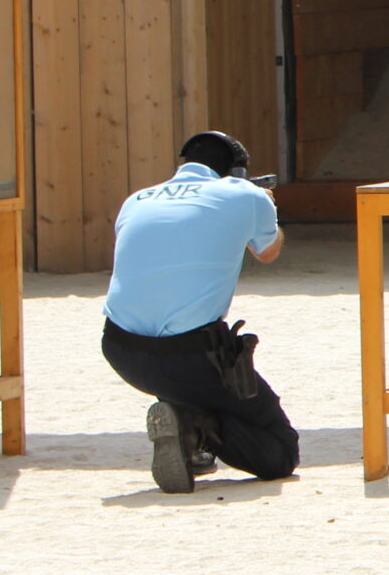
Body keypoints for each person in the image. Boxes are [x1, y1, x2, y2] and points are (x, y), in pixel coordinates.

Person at [101, 131, 296, 494]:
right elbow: (267, 252)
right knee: (280, 453)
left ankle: (185, 430)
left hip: (120, 348)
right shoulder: (246, 195)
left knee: (181, 376)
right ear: (236, 172)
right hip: (193, 357)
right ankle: (193, 424)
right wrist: (267, 206)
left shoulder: (136, 200)